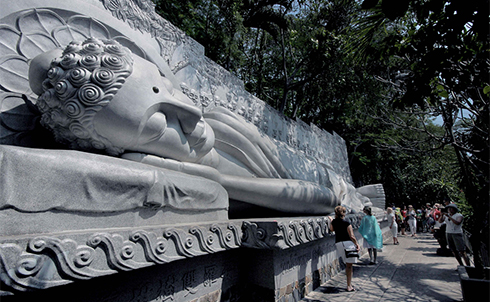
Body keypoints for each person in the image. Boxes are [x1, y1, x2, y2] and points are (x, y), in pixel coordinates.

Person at [29, 37, 362, 216]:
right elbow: (324, 200)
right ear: (117, 150)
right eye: (158, 124)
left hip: (318, 173)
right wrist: (220, 182)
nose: (190, 113)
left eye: (169, 88)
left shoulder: (224, 123)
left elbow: (328, 191)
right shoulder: (178, 179)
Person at [329, 206, 360, 292]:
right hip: (347, 243)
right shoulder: (347, 222)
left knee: (347, 264)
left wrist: (331, 221)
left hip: (339, 243)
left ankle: (349, 284)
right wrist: (357, 244)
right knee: (349, 266)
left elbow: (331, 229)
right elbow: (352, 236)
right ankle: (349, 286)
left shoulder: (334, 222)